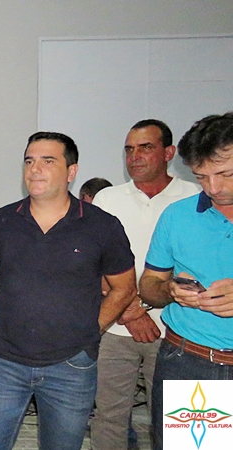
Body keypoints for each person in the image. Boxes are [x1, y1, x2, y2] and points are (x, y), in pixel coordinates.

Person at [0, 131, 137, 450]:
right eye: (29, 161)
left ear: (71, 171)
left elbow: (124, 288)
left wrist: (92, 331)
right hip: (6, 362)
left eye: (48, 161)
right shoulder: (1, 221)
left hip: (71, 366)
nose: (35, 169)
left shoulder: (102, 225)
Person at [90, 120, 200, 450]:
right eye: (129, 149)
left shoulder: (195, 197)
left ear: (169, 153)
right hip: (114, 327)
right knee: (108, 417)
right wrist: (130, 311)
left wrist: (144, 308)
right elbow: (92, 264)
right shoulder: (108, 199)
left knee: (178, 420)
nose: (134, 157)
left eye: (145, 148)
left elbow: (199, 267)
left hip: (177, 332)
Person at [139, 112, 233, 450]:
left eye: (226, 174)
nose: (214, 188)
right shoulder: (177, 216)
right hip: (190, 363)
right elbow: (149, 285)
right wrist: (170, 290)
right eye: (201, 177)